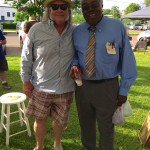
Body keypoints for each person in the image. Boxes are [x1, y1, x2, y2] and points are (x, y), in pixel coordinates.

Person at [69, 0, 137, 149]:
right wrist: (74, 64)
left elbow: (128, 59)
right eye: (85, 7)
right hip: (83, 88)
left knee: (106, 128)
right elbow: (75, 55)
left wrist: (124, 89)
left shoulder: (116, 26)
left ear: (102, 5)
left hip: (108, 87)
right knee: (86, 127)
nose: (90, 10)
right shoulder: (77, 31)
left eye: (94, 5)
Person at [20, 0, 74, 149]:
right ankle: (40, 146)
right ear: (49, 10)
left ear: (68, 10)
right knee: (40, 119)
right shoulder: (36, 29)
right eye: (54, 6)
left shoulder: (75, 31)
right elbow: (26, 57)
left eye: (63, 6)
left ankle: (57, 144)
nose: (59, 10)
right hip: (41, 86)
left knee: (59, 121)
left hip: (65, 87)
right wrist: (26, 81)